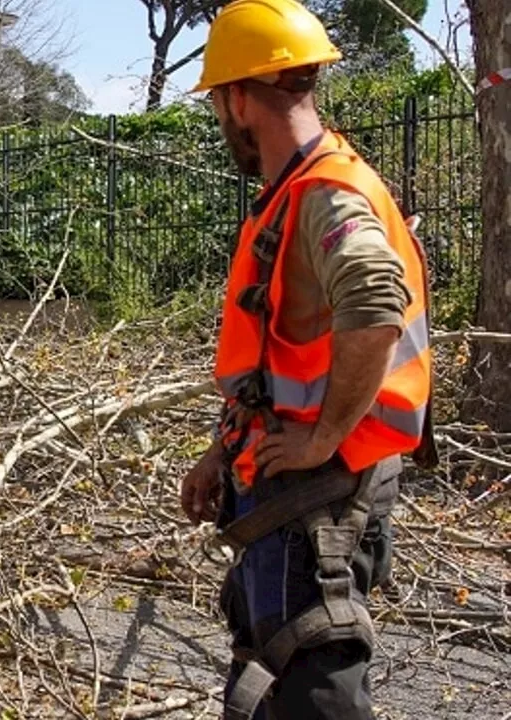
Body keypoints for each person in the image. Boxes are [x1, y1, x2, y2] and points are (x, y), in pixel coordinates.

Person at [181, 2, 434, 719]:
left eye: (219, 103)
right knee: (273, 669)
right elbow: (276, 361)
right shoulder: (297, 191)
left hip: (318, 491)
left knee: (312, 679)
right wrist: (219, 454)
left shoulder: (325, 193)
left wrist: (324, 435)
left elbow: (376, 303)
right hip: (292, 485)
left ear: (236, 96)